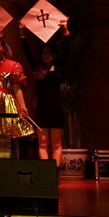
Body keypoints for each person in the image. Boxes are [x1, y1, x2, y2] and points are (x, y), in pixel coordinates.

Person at [20, 21, 70, 166]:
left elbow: (67, 51)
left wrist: (65, 31)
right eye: (43, 53)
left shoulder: (58, 66)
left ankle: (55, 172)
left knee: (56, 143)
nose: (45, 55)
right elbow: (27, 52)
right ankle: (45, 171)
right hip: (41, 109)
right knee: (42, 143)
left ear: (54, 55)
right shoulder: (37, 67)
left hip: (56, 108)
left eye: (48, 53)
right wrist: (22, 32)